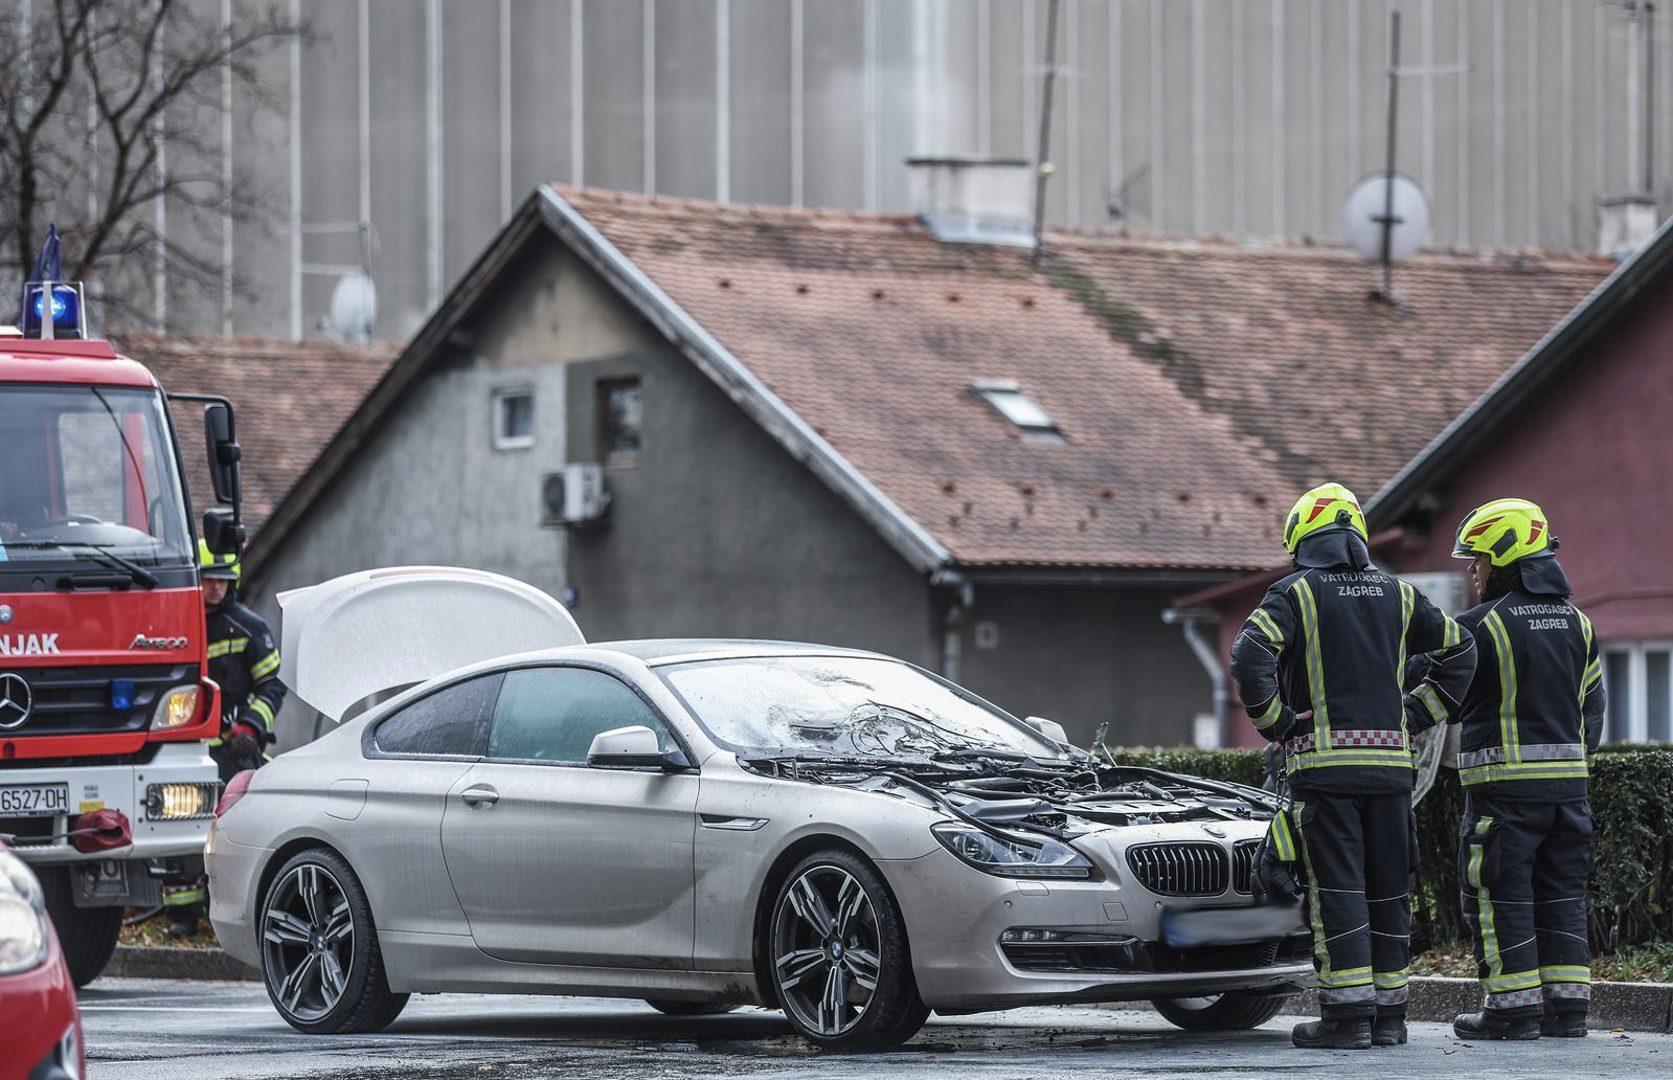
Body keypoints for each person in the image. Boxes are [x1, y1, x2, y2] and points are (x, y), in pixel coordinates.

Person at [1231, 482, 1477, 1050]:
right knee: (1389, 889)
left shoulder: (1294, 594)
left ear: (1302, 540)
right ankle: (1390, 1019)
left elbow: (1249, 656)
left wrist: (1277, 723)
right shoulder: (1399, 592)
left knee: (1338, 890)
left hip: (1326, 772)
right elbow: (1461, 651)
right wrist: (1417, 713)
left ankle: (1345, 1020)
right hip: (1392, 773)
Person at [1446, 499, 1603, 1041]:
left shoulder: (1477, 626)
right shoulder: (1580, 624)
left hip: (1503, 798)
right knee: (1561, 896)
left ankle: (1511, 1012)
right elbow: (1594, 709)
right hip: (1570, 796)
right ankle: (1567, 1011)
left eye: (1478, 559)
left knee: (1498, 894)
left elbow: (1428, 691)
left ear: (1506, 556)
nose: (1472, 569)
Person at [164, 540, 286, 936]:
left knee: (234, 832)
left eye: (222, 580)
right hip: (184, 747)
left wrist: (251, 726)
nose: (214, 588)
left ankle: (234, 918)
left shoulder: (249, 627)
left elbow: (272, 685)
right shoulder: (175, 623)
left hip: (233, 749)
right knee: (179, 826)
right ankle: (182, 918)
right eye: (206, 579)